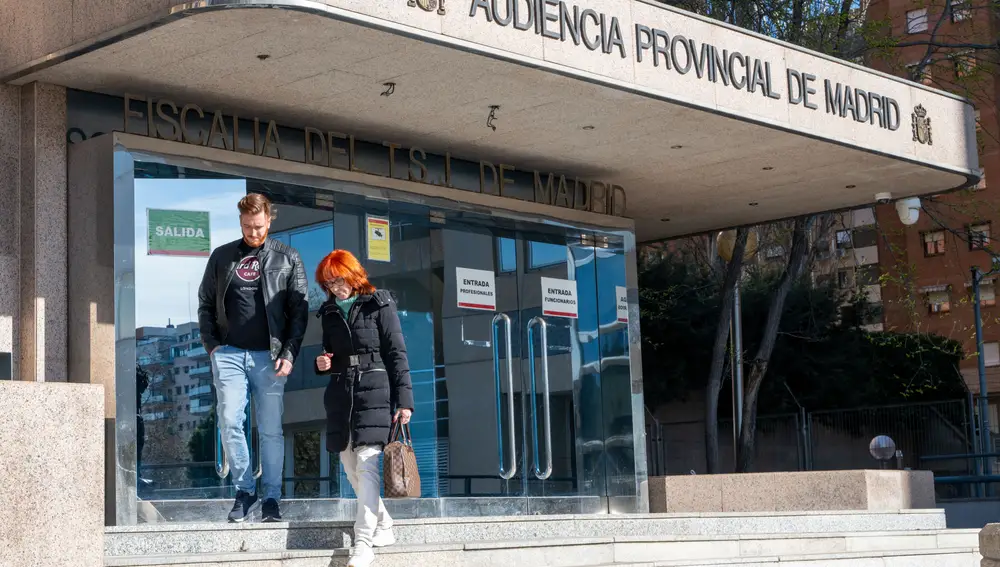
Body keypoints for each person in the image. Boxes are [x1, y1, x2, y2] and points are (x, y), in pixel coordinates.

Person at [197, 193, 309, 523]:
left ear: (269, 220)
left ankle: (271, 498)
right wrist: (212, 346)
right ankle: (245, 491)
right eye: (247, 226)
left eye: (258, 227)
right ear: (241, 221)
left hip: (270, 357)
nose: (253, 233)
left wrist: (289, 353)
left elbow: (299, 312)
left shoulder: (288, 257)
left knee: (271, 430)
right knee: (231, 420)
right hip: (229, 353)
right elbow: (205, 303)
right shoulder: (222, 256)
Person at [314, 250, 413, 567]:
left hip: (375, 391)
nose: (334, 287)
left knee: (369, 467)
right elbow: (329, 354)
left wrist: (405, 401)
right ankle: (384, 524)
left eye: (338, 280)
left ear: (352, 275)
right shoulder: (328, 312)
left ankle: (363, 543)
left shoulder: (379, 303)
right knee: (351, 469)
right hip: (342, 394)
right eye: (328, 283)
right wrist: (322, 364)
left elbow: (397, 353)